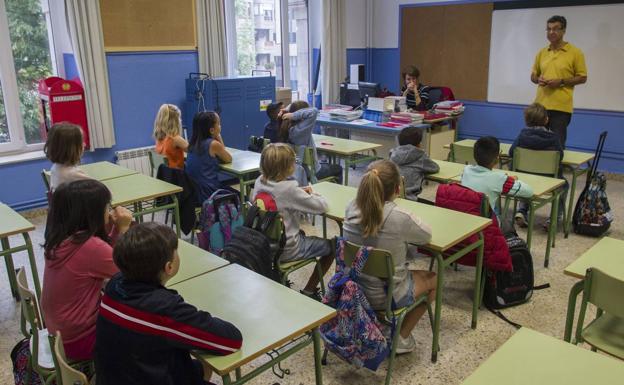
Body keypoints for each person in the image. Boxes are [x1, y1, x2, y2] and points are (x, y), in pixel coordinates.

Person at [95, 222, 242, 385]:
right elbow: (231, 340)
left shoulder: (114, 285)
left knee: (198, 367)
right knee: (201, 366)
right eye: (176, 252)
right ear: (169, 267)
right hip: (147, 374)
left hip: (121, 375)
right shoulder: (164, 310)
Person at [343, 160, 436, 354]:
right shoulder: (400, 217)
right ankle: (400, 338)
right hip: (386, 296)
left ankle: (381, 323)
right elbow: (426, 235)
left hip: (354, 289)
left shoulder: (350, 207)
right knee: (435, 278)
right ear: (397, 188)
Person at [41, 179, 132, 361]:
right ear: (93, 213)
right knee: (143, 330)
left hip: (59, 334)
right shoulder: (91, 247)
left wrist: (113, 231)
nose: (110, 210)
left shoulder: (60, 239)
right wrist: (123, 229)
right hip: (81, 340)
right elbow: (129, 270)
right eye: (107, 206)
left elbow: (105, 257)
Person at [252, 143, 334, 299]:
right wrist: (314, 193)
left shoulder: (258, 182)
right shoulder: (289, 189)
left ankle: (280, 279)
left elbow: (279, 197)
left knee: (301, 232)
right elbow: (322, 206)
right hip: (287, 249)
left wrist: (298, 193)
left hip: (264, 245)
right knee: (333, 246)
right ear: (287, 168)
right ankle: (309, 290)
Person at [531, 15, 587, 148]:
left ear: (564, 31)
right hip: (540, 107)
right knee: (535, 143)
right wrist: (538, 79)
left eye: (555, 29)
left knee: (556, 146)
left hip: (561, 108)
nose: (551, 32)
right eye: (548, 29)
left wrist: (561, 82)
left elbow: (582, 77)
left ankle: (555, 169)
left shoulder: (575, 52)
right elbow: (533, 75)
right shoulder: (542, 52)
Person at [510, 103, 568, 229]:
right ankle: (553, 219)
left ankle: (522, 211)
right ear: (546, 119)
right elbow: (560, 157)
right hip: (548, 180)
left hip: (524, 178)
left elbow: (511, 153)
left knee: (527, 181)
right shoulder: (554, 138)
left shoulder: (521, 136)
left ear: (526, 120)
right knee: (565, 185)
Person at [461, 136, 533, 219]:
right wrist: (512, 180)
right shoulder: (499, 179)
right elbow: (529, 192)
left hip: (466, 216)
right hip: (487, 223)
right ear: (497, 159)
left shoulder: (466, 170)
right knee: (504, 220)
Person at [280, 100, 344, 184]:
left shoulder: (287, 128)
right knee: (338, 168)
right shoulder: (301, 129)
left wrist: (288, 111)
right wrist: (293, 115)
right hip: (311, 171)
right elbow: (314, 111)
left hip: (297, 169)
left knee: (324, 163)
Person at [186, 111, 233, 204]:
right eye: (219, 124)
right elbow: (228, 158)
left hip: (194, 192)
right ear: (211, 130)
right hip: (209, 192)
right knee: (242, 197)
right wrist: (219, 137)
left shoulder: (192, 144)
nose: (220, 126)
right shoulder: (213, 144)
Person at [390, 126, 440, 200]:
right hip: (410, 198)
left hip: (391, 196)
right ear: (419, 144)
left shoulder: (393, 154)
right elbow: (435, 168)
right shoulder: (420, 157)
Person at [44, 122, 89, 190]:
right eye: (81, 142)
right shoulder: (73, 174)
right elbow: (103, 192)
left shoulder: (55, 167)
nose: (84, 144)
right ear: (71, 149)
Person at [153, 104, 188, 169]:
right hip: (176, 176)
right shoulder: (175, 139)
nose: (181, 120)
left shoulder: (159, 139)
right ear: (175, 121)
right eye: (179, 118)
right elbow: (194, 152)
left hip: (165, 176)